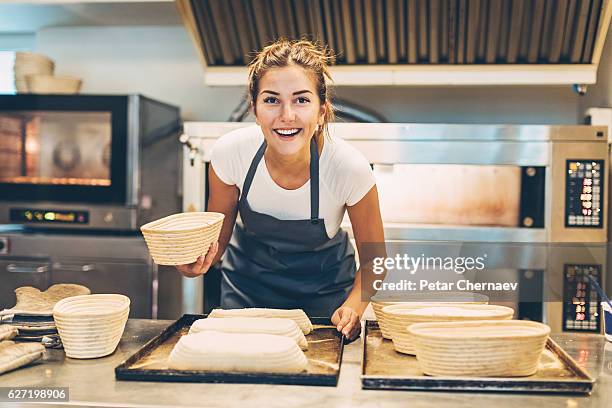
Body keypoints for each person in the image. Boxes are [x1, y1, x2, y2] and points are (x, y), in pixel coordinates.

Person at [176, 39, 385, 340]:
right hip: (247, 295)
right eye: (271, 100)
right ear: (254, 109)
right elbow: (216, 240)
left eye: (301, 100)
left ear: (322, 110)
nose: (286, 115)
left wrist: (354, 306)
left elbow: (375, 262)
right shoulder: (230, 154)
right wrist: (197, 261)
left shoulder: (347, 168)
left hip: (326, 299)